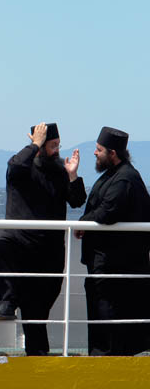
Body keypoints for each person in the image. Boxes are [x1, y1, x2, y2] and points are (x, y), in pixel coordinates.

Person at [0, 122, 86, 356]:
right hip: (20, 247)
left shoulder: (60, 170)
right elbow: (17, 165)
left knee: (37, 316)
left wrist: (73, 176)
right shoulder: (21, 166)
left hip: (49, 254)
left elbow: (77, 201)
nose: (57, 150)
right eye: (52, 146)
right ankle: (7, 302)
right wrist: (35, 144)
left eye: (58, 145)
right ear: (38, 146)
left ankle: (37, 361)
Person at [75, 126, 150, 356]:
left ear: (113, 153)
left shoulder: (125, 179)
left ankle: (107, 357)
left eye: (99, 150)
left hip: (115, 264)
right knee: (103, 310)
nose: (95, 154)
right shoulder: (113, 175)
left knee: (108, 313)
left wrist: (82, 224)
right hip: (106, 263)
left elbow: (109, 211)